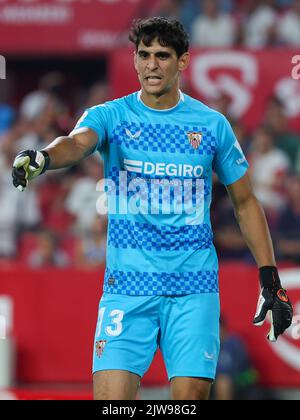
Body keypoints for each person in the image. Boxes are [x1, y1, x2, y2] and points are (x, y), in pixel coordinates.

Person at [12, 17, 293, 401]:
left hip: (193, 289)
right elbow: (76, 143)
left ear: (183, 62)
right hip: (126, 289)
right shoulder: (110, 116)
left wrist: (270, 278)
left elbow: (245, 201)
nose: (152, 64)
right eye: (144, 55)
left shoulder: (211, 125)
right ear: (135, 60)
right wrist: (44, 157)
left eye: (162, 55)